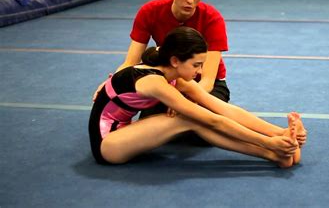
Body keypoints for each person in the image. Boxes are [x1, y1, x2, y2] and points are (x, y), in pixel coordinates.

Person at [89, 27, 306, 168]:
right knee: (188, 118)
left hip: (125, 132)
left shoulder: (174, 76)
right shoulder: (153, 82)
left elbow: (223, 109)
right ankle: (271, 153)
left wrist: (280, 132)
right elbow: (212, 120)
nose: (200, 71)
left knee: (196, 116)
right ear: (175, 61)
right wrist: (269, 143)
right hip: (108, 144)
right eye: (196, 65)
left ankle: (277, 150)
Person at [93, 0, 230, 144]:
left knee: (197, 129)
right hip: (169, 82)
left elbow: (207, 79)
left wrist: (185, 102)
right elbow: (130, 63)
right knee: (155, 125)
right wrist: (111, 83)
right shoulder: (150, 12)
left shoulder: (212, 18)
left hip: (204, 85)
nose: (190, 0)